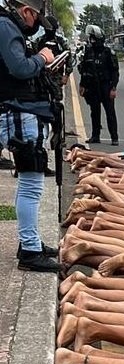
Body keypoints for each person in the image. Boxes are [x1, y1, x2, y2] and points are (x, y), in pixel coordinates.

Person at [0, 0, 62, 272]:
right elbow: (20, 68)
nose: (36, 22)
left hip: (22, 112)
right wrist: (42, 58)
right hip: (18, 112)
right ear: (27, 11)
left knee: (30, 183)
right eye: (36, 16)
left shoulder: (8, 27)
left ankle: (31, 242)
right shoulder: (5, 26)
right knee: (31, 184)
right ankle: (29, 251)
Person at [36, 14, 72, 176]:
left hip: (56, 80)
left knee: (57, 107)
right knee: (44, 108)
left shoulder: (60, 41)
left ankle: (58, 134)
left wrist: (66, 74)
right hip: (41, 80)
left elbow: (69, 57)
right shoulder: (40, 41)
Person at [78, 24, 120, 146]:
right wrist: (82, 85)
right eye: (90, 38)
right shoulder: (89, 52)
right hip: (92, 87)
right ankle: (95, 136)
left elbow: (115, 72)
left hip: (106, 86)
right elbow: (85, 71)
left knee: (110, 113)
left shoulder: (108, 53)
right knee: (94, 112)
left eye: (93, 38)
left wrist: (113, 88)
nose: (91, 41)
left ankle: (114, 137)